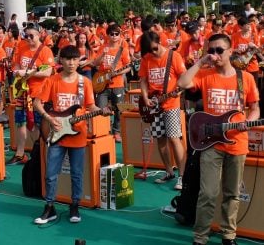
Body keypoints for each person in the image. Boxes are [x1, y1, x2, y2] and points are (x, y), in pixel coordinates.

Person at [178, 33, 260, 245]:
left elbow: (255, 108)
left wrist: (248, 121)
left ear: (230, 51)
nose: (214, 54)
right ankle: (200, 236)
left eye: (219, 50)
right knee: (208, 193)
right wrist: (200, 61)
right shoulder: (205, 74)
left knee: (232, 194)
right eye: (211, 50)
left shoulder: (246, 78)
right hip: (211, 143)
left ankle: (228, 235)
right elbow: (182, 82)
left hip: (237, 142)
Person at [33, 45, 110, 224]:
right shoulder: (52, 80)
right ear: (61, 61)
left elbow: (90, 106)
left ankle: (75, 205)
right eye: (68, 59)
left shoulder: (85, 82)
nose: (72, 63)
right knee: (51, 173)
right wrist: (48, 118)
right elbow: (37, 103)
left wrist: (102, 111)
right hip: (56, 133)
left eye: (75, 59)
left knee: (77, 173)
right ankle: (49, 207)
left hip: (78, 133)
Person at [139, 31, 187, 190]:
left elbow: (184, 78)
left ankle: (182, 175)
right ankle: (168, 171)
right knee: (160, 139)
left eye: (154, 48)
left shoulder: (174, 57)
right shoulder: (146, 59)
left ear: (159, 42)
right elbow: (144, 80)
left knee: (174, 139)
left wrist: (179, 91)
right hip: (154, 105)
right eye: (149, 50)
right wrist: (145, 98)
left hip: (171, 104)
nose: (152, 53)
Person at [9, 26, 54, 165]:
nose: (28, 38)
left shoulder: (45, 51)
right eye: (26, 36)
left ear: (39, 35)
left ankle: (40, 151)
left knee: (36, 123)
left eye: (31, 36)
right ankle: (20, 153)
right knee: (20, 122)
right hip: (22, 92)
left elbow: (48, 72)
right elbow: (16, 65)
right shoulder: (22, 48)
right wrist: (17, 71)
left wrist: (27, 73)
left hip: (38, 93)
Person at [92, 23, 131, 142]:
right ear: (107, 35)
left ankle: (117, 132)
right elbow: (95, 63)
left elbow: (128, 67)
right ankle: (104, 130)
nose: (114, 36)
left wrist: (118, 73)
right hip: (102, 83)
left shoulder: (123, 50)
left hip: (117, 83)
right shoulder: (103, 47)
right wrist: (103, 54)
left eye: (116, 34)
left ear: (119, 35)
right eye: (111, 34)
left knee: (119, 108)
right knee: (101, 108)